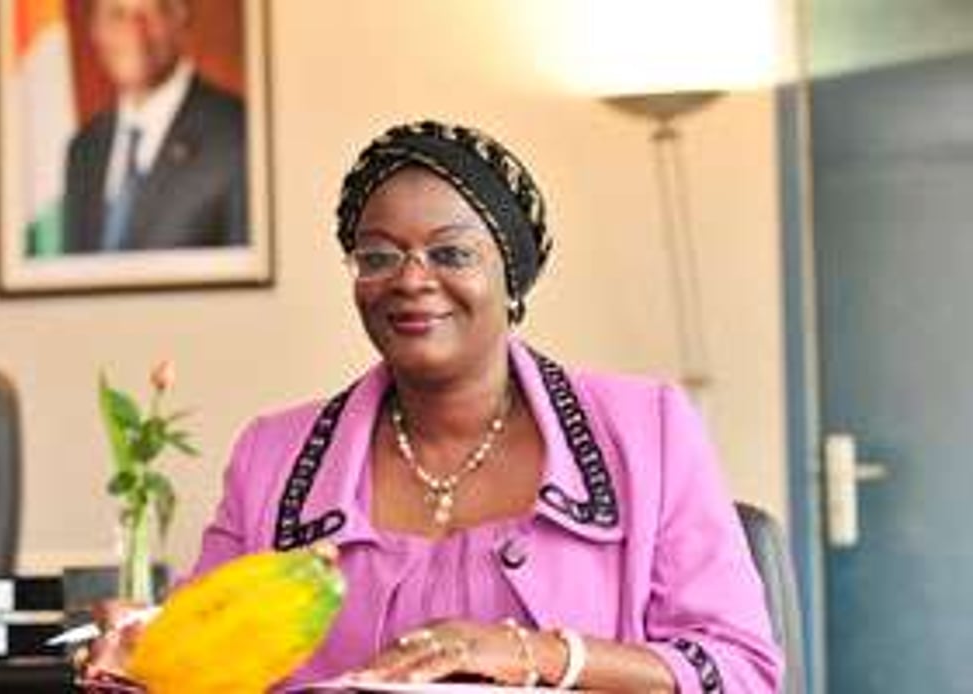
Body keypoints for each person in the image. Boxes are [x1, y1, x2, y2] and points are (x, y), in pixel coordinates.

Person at [84, 120, 782, 692]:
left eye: (450, 253)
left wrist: (537, 654)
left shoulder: (644, 431)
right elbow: (200, 668)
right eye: (377, 257)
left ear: (511, 274)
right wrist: (141, 660)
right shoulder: (273, 456)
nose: (411, 280)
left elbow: (741, 673)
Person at [63, 0, 247, 253]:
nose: (134, 30)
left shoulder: (237, 134)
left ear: (180, 18)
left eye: (151, 13)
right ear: (95, 29)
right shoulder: (84, 149)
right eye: (117, 15)